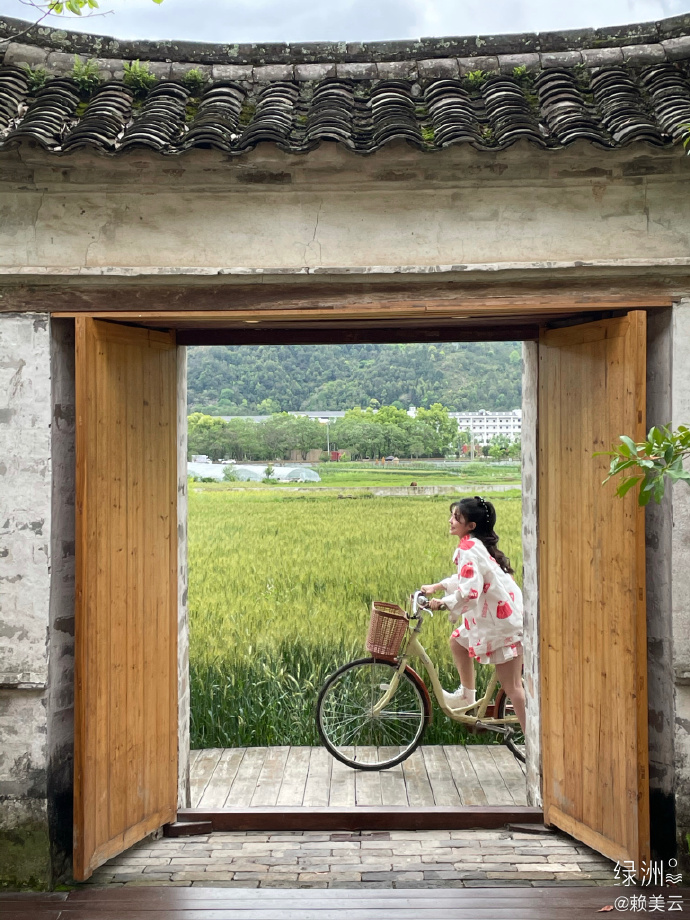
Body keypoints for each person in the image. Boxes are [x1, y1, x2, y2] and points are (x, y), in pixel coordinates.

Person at [420, 495, 525, 732]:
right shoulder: (473, 545)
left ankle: (534, 744)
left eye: (456, 517)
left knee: (513, 688)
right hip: (497, 618)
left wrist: (443, 603)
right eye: (451, 516)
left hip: (502, 625)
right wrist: (438, 586)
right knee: (457, 641)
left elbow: (470, 591)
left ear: (471, 525)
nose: (450, 521)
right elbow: (467, 577)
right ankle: (467, 696)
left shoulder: (469, 548)